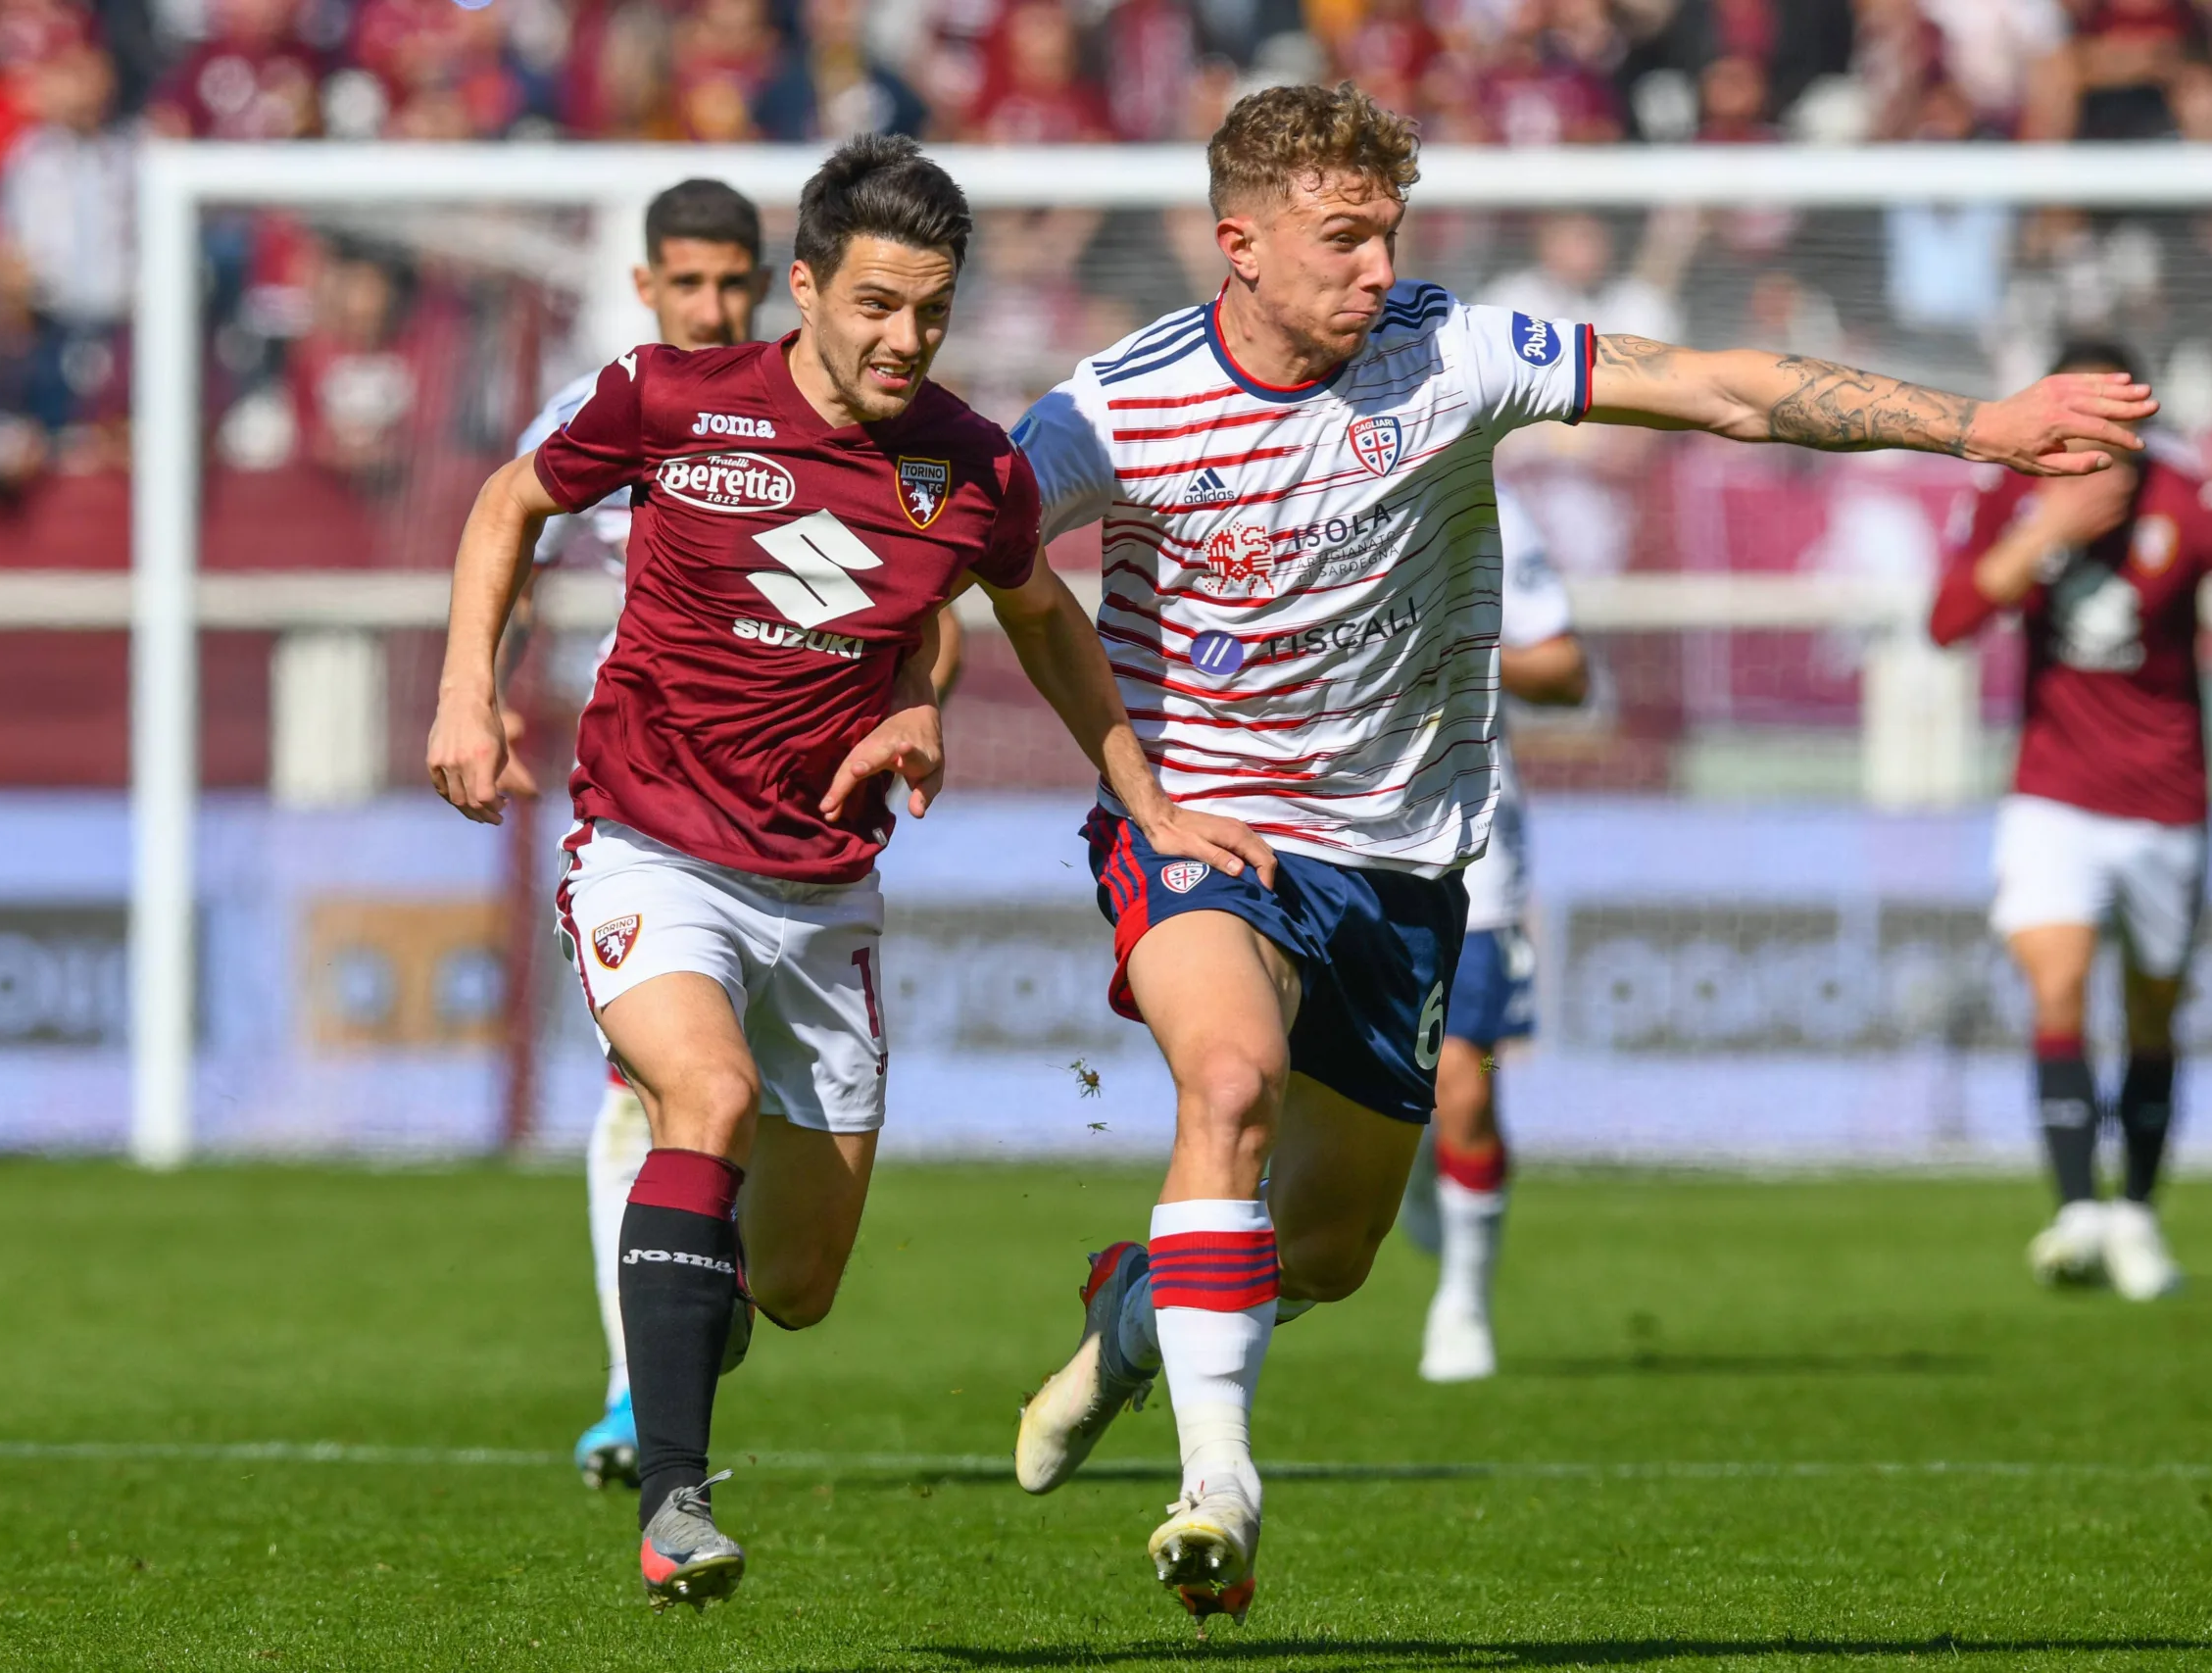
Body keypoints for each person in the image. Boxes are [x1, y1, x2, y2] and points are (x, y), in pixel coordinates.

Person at [1005, 80, 2157, 1623]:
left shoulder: (1453, 353)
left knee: (1332, 1251)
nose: (1376, 266)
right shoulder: (1112, 405)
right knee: (1227, 1082)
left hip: (1405, 859)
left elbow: (1728, 389)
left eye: (1388, 233)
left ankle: (1141, 1310)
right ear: (1242, 246)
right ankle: (1220, 1483)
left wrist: (1983, 429)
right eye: (1344, 238)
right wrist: (1005, 747)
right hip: (1207, 831)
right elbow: (977, 554)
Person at [425, 134, 1258, 1610]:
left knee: (798, 1284)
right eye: (874, 304)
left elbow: (1040, 619)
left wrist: (1142, 791)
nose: (902, 339)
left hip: (822, 886)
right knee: (707, 1094)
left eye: (930, 311)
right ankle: (673, 1494)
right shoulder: (667, 400)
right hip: (646, 839)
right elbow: (511, 502)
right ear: (802, 287)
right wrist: (464, 691)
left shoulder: (970, 463)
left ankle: (696, 1294)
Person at [1930, 339, 2212, 1303]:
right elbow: (1945, 621)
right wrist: (2044, 534)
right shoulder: (2011, 493)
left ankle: (2135, 1211)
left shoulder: (2193, 500)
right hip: (2051, 791)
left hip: (2166, 800)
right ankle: (2075, 1209)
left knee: (2151, 1011)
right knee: (2056, 982)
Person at [497, 177, 764, 1494]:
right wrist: (484, 694)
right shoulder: (597, 412)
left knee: (757, 1118)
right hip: (643, 792)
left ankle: (706, 1281)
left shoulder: (807, 405)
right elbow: (510, 542)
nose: (715, 308)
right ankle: (630, 1376)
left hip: (790, 795)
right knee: (649, 1082)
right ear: (647, 286)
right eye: (692, 283)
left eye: (736, 282)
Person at [1397, 489, 1587, 1384]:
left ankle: (1463, 1302)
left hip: (1469, 851)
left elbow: (1565, 671)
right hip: (1321, 833)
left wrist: (1451, 649)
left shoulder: (1491, 505)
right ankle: (1408, 1155)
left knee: (1464, 1086)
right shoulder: (1291, 483)